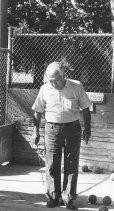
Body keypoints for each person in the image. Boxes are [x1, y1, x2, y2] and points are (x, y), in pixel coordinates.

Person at [32, 61, 91, 210]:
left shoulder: (76, 86)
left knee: (71, 164)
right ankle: (53, 196)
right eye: (50, 80)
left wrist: (87, 129)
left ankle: (68, 198)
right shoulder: (44, 89)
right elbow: (38, 110)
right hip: (51, 130)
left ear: (64, 75)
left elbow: (85, 108)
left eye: (56, 80)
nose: (53, 83)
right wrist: (35, 130)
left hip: (73, 129)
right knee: (51, 164)